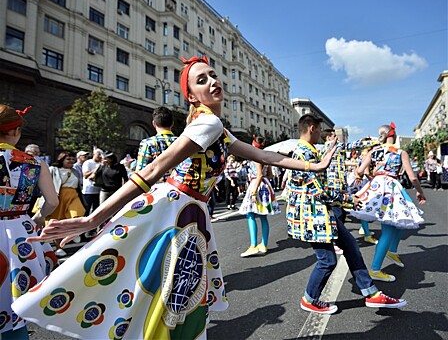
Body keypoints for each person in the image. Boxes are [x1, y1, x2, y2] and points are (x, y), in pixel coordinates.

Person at [12, 56, 337, 339]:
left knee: (165, 294)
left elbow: (267, 157)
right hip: (174, 211)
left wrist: (316, 164)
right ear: (191, 95)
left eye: (212, 75)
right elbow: (152, 171)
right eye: (201, 80)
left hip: (187, 213)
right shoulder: (208, 123)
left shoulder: (217, 128)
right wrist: (94, 218)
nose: (212, 82)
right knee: (174, 296)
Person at [287, 114, 406, 315]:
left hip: (320, 214)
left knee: (350, 246)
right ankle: (310, 299)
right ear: (311, 128)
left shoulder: (311, 150)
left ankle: (371, 293)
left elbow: (345, 148)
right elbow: (319, 191)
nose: (322, 135)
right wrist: (351, 201)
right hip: (312, 216)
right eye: (319, 130)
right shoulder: (303, 154)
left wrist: (376, 140)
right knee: (327, 261)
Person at [0, 105, 59, 340]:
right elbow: (52, 201)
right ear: (15, 131)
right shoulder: (34, 163)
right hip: (19, 231)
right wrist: (37, 217)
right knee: (16, 295)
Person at [353, 123, 426, 282]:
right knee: (390, 227)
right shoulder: (400, 152)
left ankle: (391, 251)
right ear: (393, 134)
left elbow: (359, 171)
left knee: (400, 222)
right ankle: (375, 269)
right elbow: (413, 177)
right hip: (391, 187)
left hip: (377, 186)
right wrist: (420, 192)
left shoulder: (373, 151)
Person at [238, 135, 281, 257]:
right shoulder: (265, 157)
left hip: (256, 185)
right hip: (265, 186)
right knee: (263, 216)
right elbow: (270, 176)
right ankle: (264, 244)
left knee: (250, 214)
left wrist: (253, 191)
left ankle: (253, 245)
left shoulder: (255, 157)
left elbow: (259, 175)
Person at [45, 151, 86, 257]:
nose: (71, 161)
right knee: (57, 222)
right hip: (58, 196)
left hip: (73, 195)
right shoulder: (53, 170)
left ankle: (74, 232)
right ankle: (59, 247)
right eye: (68, 159)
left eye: (73, 159)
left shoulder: (75, 171)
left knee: (78, 213)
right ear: (62, 159)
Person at [135, 106, 178, 182]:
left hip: (156, 190)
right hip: (178, 189)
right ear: (172, 123)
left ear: (154, 123)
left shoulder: (147, 143)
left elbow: (141, 173)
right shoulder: (181, 141)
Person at [81, 148, 103, 238]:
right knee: (86, 211)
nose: (100, 157)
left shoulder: (101, 164)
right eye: (99, 155)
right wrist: (96, 169)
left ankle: (91, 231)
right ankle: (81, 232)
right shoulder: (88, 163)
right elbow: (85, 175)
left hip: (98, 190)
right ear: (94, 154)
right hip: (88, 190)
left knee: (96, 212)